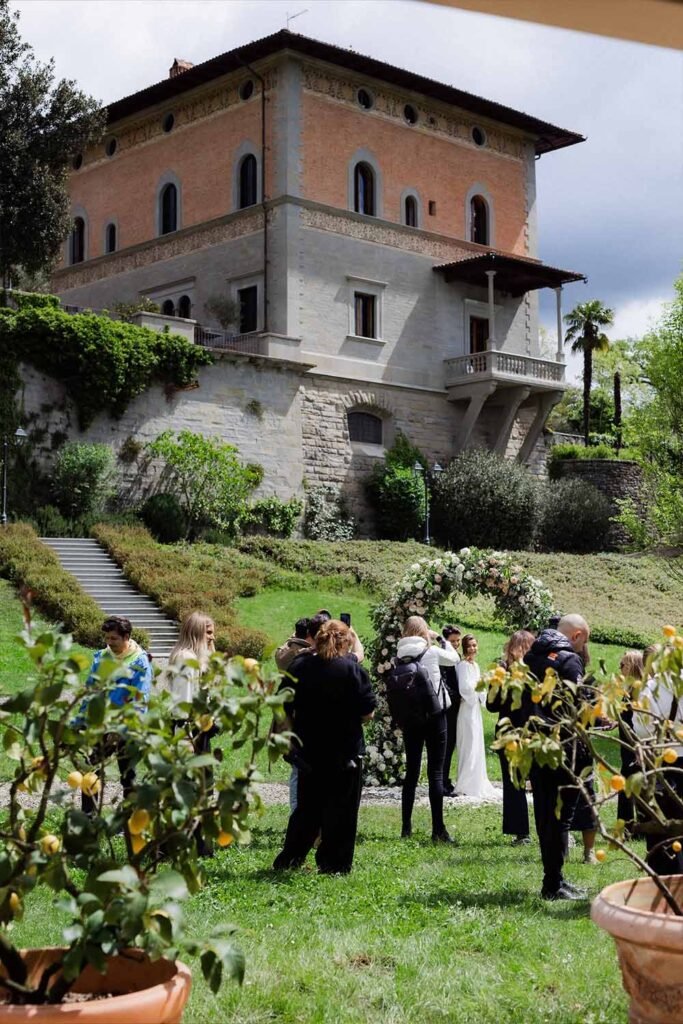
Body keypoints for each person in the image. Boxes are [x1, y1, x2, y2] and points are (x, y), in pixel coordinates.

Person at [273, 620, 376, 874]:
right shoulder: (353, 670)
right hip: (345, 749)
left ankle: (291, 858)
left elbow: (282, 702)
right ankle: (335, 864)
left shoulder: (300, 666)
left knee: (307, 810)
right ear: (346, 641)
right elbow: (368, 713)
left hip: (309, 747)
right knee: (342, 810)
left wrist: (288, 732)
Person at [524, 613, 591, 901]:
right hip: (565, 747)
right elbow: (577, 706)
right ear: (575, 635)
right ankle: (553, 884)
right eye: (583, 641)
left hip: (535, 743)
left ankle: (553, 879)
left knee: (544, 814)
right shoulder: (569, 660)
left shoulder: (532, 657)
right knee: (561, 816)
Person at [396, 616, 459, 843]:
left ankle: (406, 827)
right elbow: (454, 659)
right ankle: (437, 829)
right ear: (423, 632)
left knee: (411, 772)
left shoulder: (399, 657)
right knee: (436, 773)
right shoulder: (431, 652)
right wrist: (442, 639)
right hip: (435, 715)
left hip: (411, 719)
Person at [81, 616, 153, 815]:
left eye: (114, 638)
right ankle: (89, 817)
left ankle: (129, 821)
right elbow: (91, 690)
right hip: (100, 725)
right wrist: (80, 719)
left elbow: (139, 699)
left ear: (126, 637)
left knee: (127, 776)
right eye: (107, 638)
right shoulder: (102, 657)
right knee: (91, 771)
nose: (109, 643)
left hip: (127, 728)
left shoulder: (140, 662)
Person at [161, 611, 216, 855]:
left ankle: (198, 842)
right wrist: (186, 735)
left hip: (199, 727)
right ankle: (181, 843)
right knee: (189, 787)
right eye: (209, 632)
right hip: (187, 728)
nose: (213, 637)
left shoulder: (199, 656)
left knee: (203, 787)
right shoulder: (185, 658)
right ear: (196, 632)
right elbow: (183, 702)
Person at [634, 646, 683, 875]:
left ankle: (663, 887)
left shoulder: (651, 689)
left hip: (661, 763)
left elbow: (641, 730)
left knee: (661, 830)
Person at [487, 630, 535, 843]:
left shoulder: (503, 671)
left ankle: (521, 832)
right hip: (532, 731)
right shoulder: (536, 671)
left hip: (510, 732)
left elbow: (491, 705)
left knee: (513, 782)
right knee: (538, 782)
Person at [455, 634, 496, 800]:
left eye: (474, 645)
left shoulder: (476, 665)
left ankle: (476, 780)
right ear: (465, 648)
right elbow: (464, 688)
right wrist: (478, 688)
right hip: (466, 708)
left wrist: (484, 695)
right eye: (469, 646)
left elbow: (480, 687)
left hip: (475, 710)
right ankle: (466, 782)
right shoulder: (463, 666)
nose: (472, 648)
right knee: (468, 744)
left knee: (476, 743)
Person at [616, 650, 644, 833]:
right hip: (627, 742)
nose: (620, 668)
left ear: (633, 666)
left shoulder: (639, 690)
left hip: (635, 743)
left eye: (623, 665)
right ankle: (630, 824)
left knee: (631, 781)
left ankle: (628, 825)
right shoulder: (629, 690)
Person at [440, 626, 461, 797]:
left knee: (451, 743)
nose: (456, 644)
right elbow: (443, 682)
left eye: (458, 641)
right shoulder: (443, 657)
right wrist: (456, 696)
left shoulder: (457, 657)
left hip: (456, 707)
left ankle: (445, 780)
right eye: (452, 641)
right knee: (446, 745)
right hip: (447, 706)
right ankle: (442, 782)